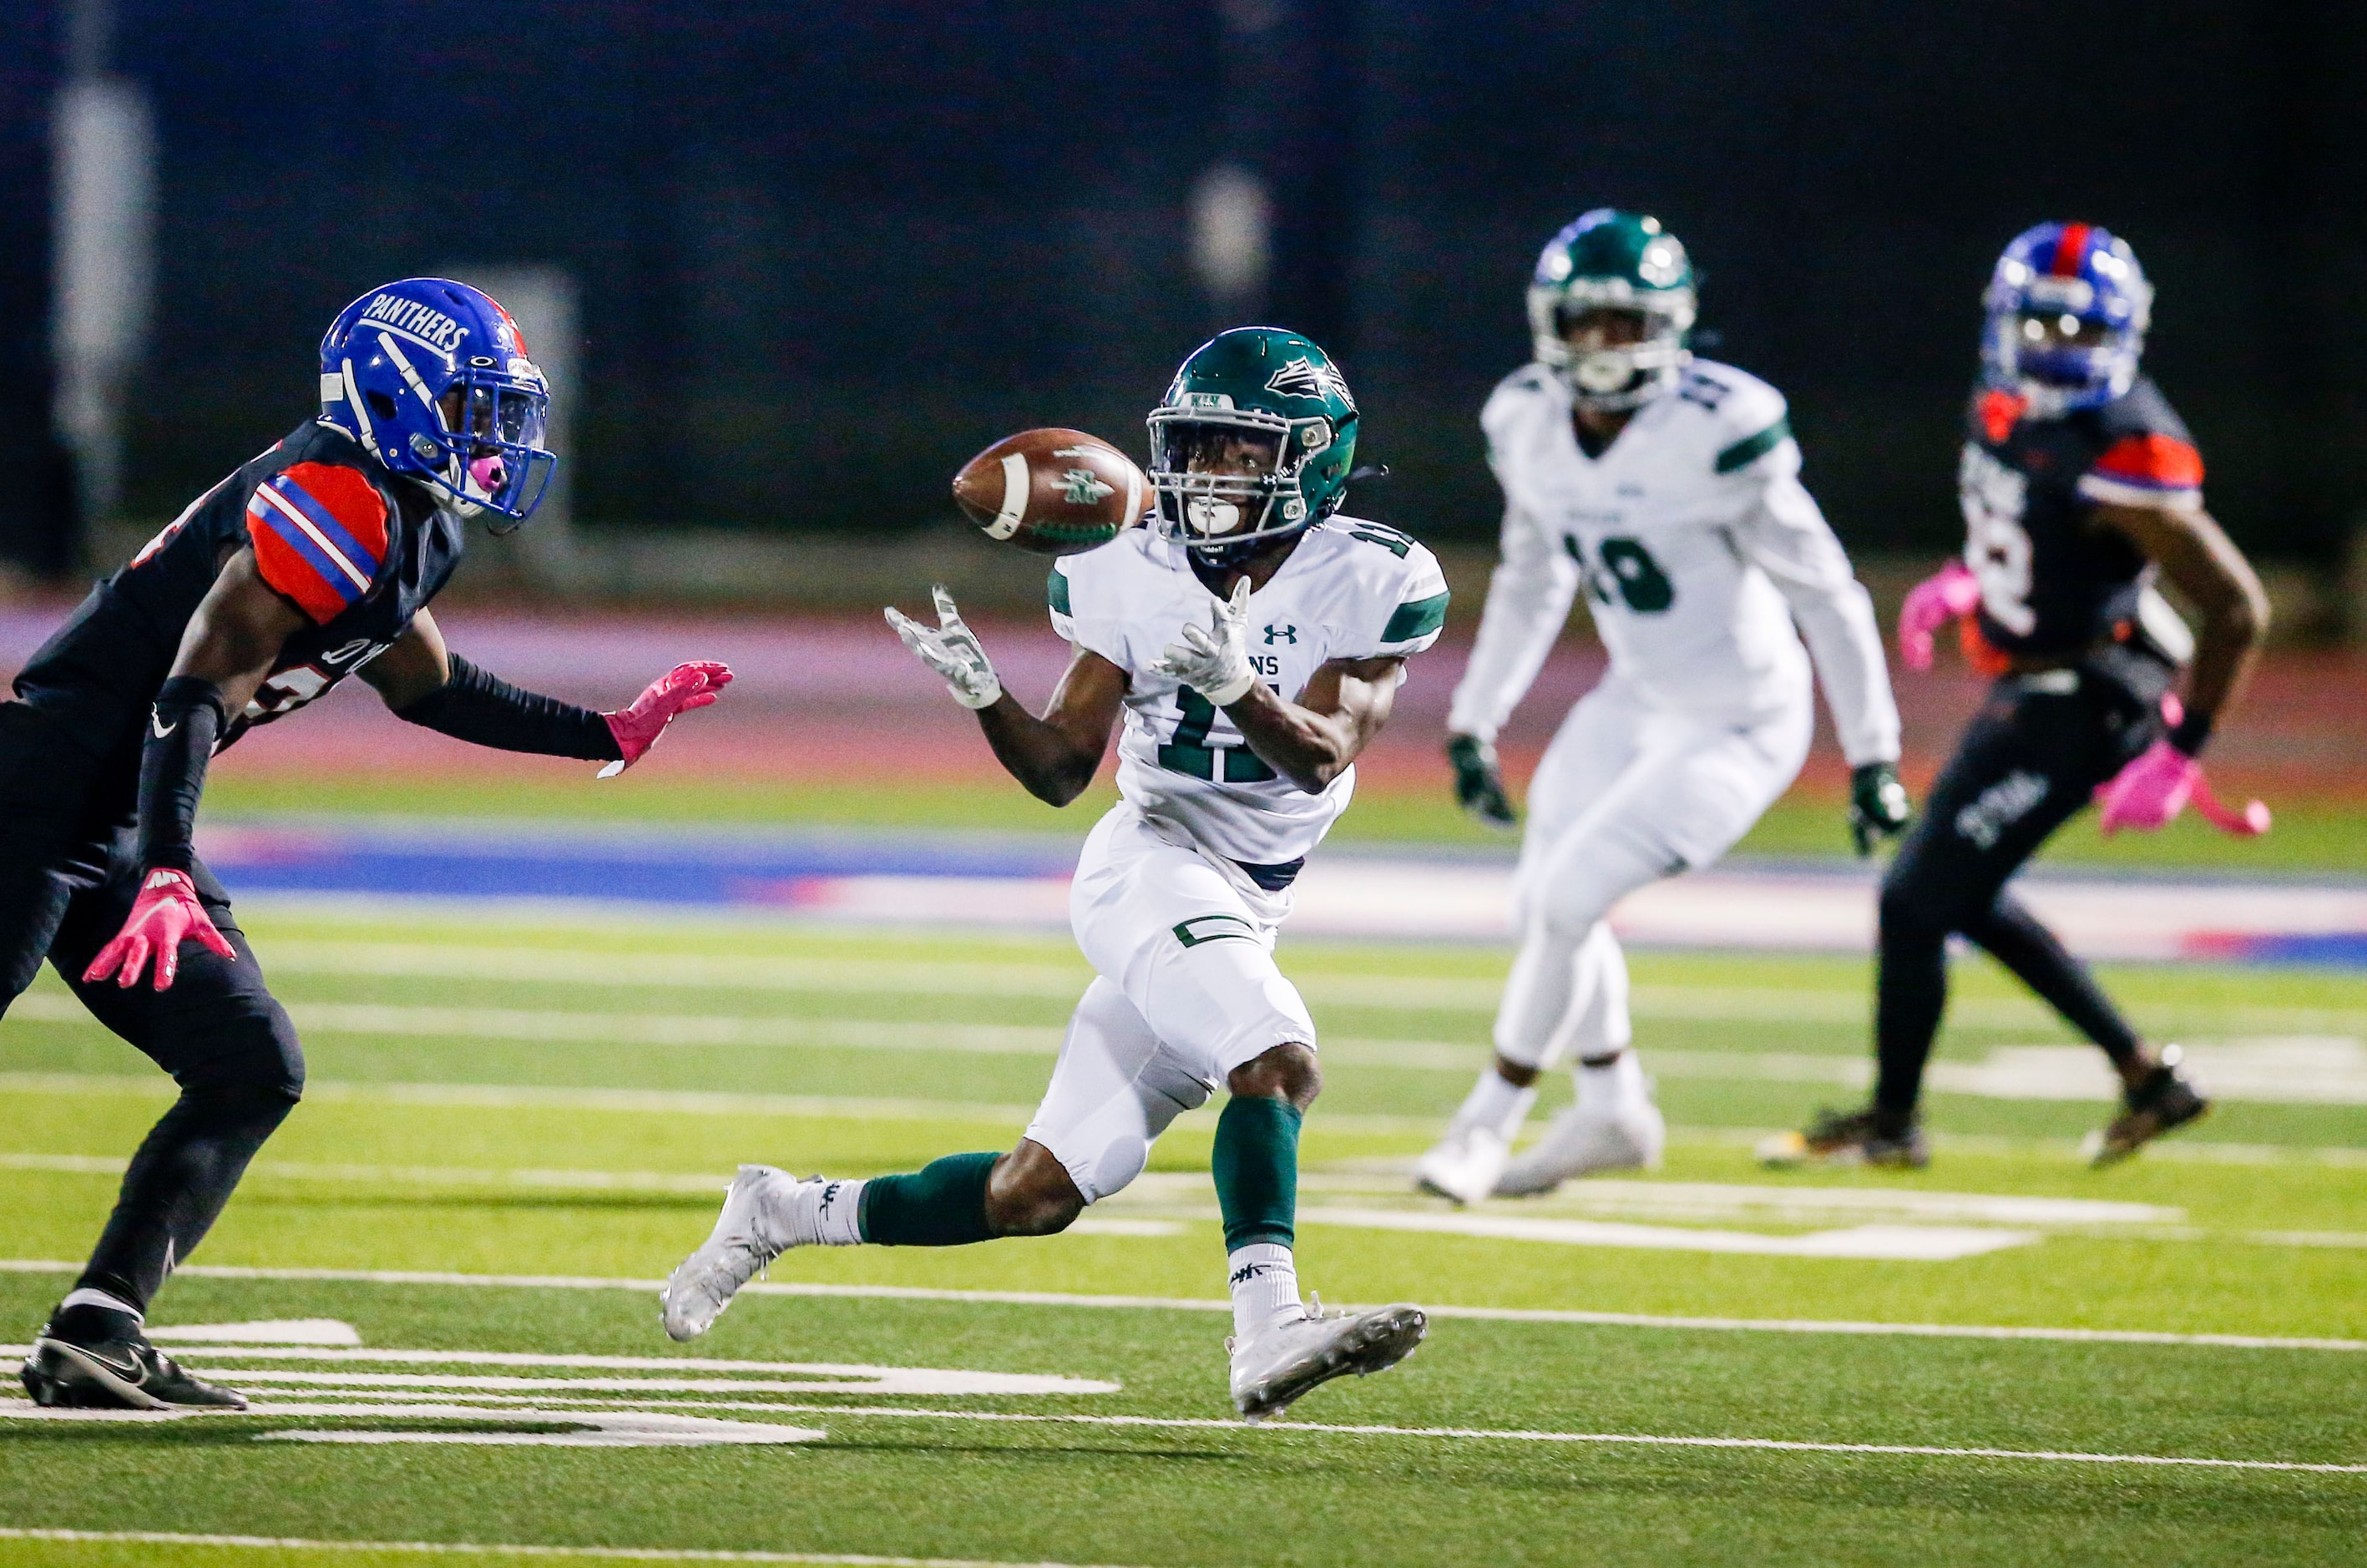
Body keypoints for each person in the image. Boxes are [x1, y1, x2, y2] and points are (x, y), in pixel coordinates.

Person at [0, 279, 731, 1409]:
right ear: (393, 393)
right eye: (474, 407)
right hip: (27, 800)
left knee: (248, 1068)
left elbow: (426, 684)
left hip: (122, 809)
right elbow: (193, 691)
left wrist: (604, 730)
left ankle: (98, 1327)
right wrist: (172, 867)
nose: (500, 436)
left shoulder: (407, 514)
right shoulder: (331, 495)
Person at [658, 328, 1441, 1421]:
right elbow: (1061, 772)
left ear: (1307, 460)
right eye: (1195, 446)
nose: (1205, 473)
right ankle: (1267, 1329)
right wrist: (985, 696)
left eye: (1235, 451)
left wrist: (1232, 683)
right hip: (1148, 869)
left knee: (1033, 1193)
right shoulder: (1129, 561)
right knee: (1275, 1058)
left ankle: (783, 1210)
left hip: (1244, 901)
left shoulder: (1372, 575)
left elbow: (1320, 753)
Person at [1417, 210, 1906, 1204]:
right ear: (1551, 324)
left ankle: (1486, 1123)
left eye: (1625, 325)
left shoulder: (1718, 430)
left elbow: (1827, 593)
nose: (1603, 348)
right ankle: (1612, 1106)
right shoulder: (1526, 423)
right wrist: (1477, 715)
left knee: (1565, 899)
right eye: (1587, 323)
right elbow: (1528, 576)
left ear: (1672, 328)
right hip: (1635, 699)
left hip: (1742, 720)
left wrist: (1874, 755)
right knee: (1542, 904)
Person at [1762, 222, 2267, 1170]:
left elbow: (2237, 609)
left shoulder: (2129, 443)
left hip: (2093, 698)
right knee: (1958, 891)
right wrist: (1972, 582)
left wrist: (2179, 751)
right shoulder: (2007, 403)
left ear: (2125, 333)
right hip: (2034, 688)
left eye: (2082, 331)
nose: (2058, 349)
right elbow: (2034, 525)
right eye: (2042, 326)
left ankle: (1894, 1123)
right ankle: (2146, 1076)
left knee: (1919, 900)